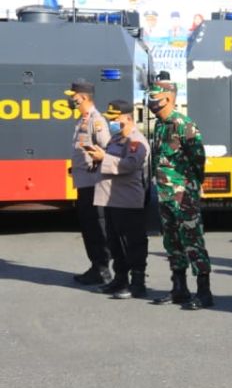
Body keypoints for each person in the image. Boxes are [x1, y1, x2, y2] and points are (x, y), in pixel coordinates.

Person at [147, 79, 214, 309]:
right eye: (150, 99)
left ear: (168, 99)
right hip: (165, 194)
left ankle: (204, 292)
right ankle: (179, 288)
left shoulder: (183, 125)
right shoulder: (160, 125)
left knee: (193, 242)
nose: (151, 104)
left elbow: (198, 160)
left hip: (183, 194)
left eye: (155, 99)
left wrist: (193, 185)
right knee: (172, 242)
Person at [86, 100, 149, 300]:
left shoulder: (136, 141)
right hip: (110, 199)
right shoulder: (115, 139)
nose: (111, 121)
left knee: (132, 242)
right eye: (110, 118)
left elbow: (130, 165)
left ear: (128, 118)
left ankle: (137, 283)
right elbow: (108, 161)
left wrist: (103, 157)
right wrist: (95, 159)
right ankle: (120, 279)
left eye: (115, 118)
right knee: (114, 242)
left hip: (128, 200)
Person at [66, 79, 111, 285]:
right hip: (84, 182)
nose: (69, 99)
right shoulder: (83, 119)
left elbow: (106, 149)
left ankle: (102, 269)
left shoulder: (96, 120)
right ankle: (97, 267)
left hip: (93, 184)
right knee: (88, 227)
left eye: (72, 95)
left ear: (83, 97)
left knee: (95, 227)